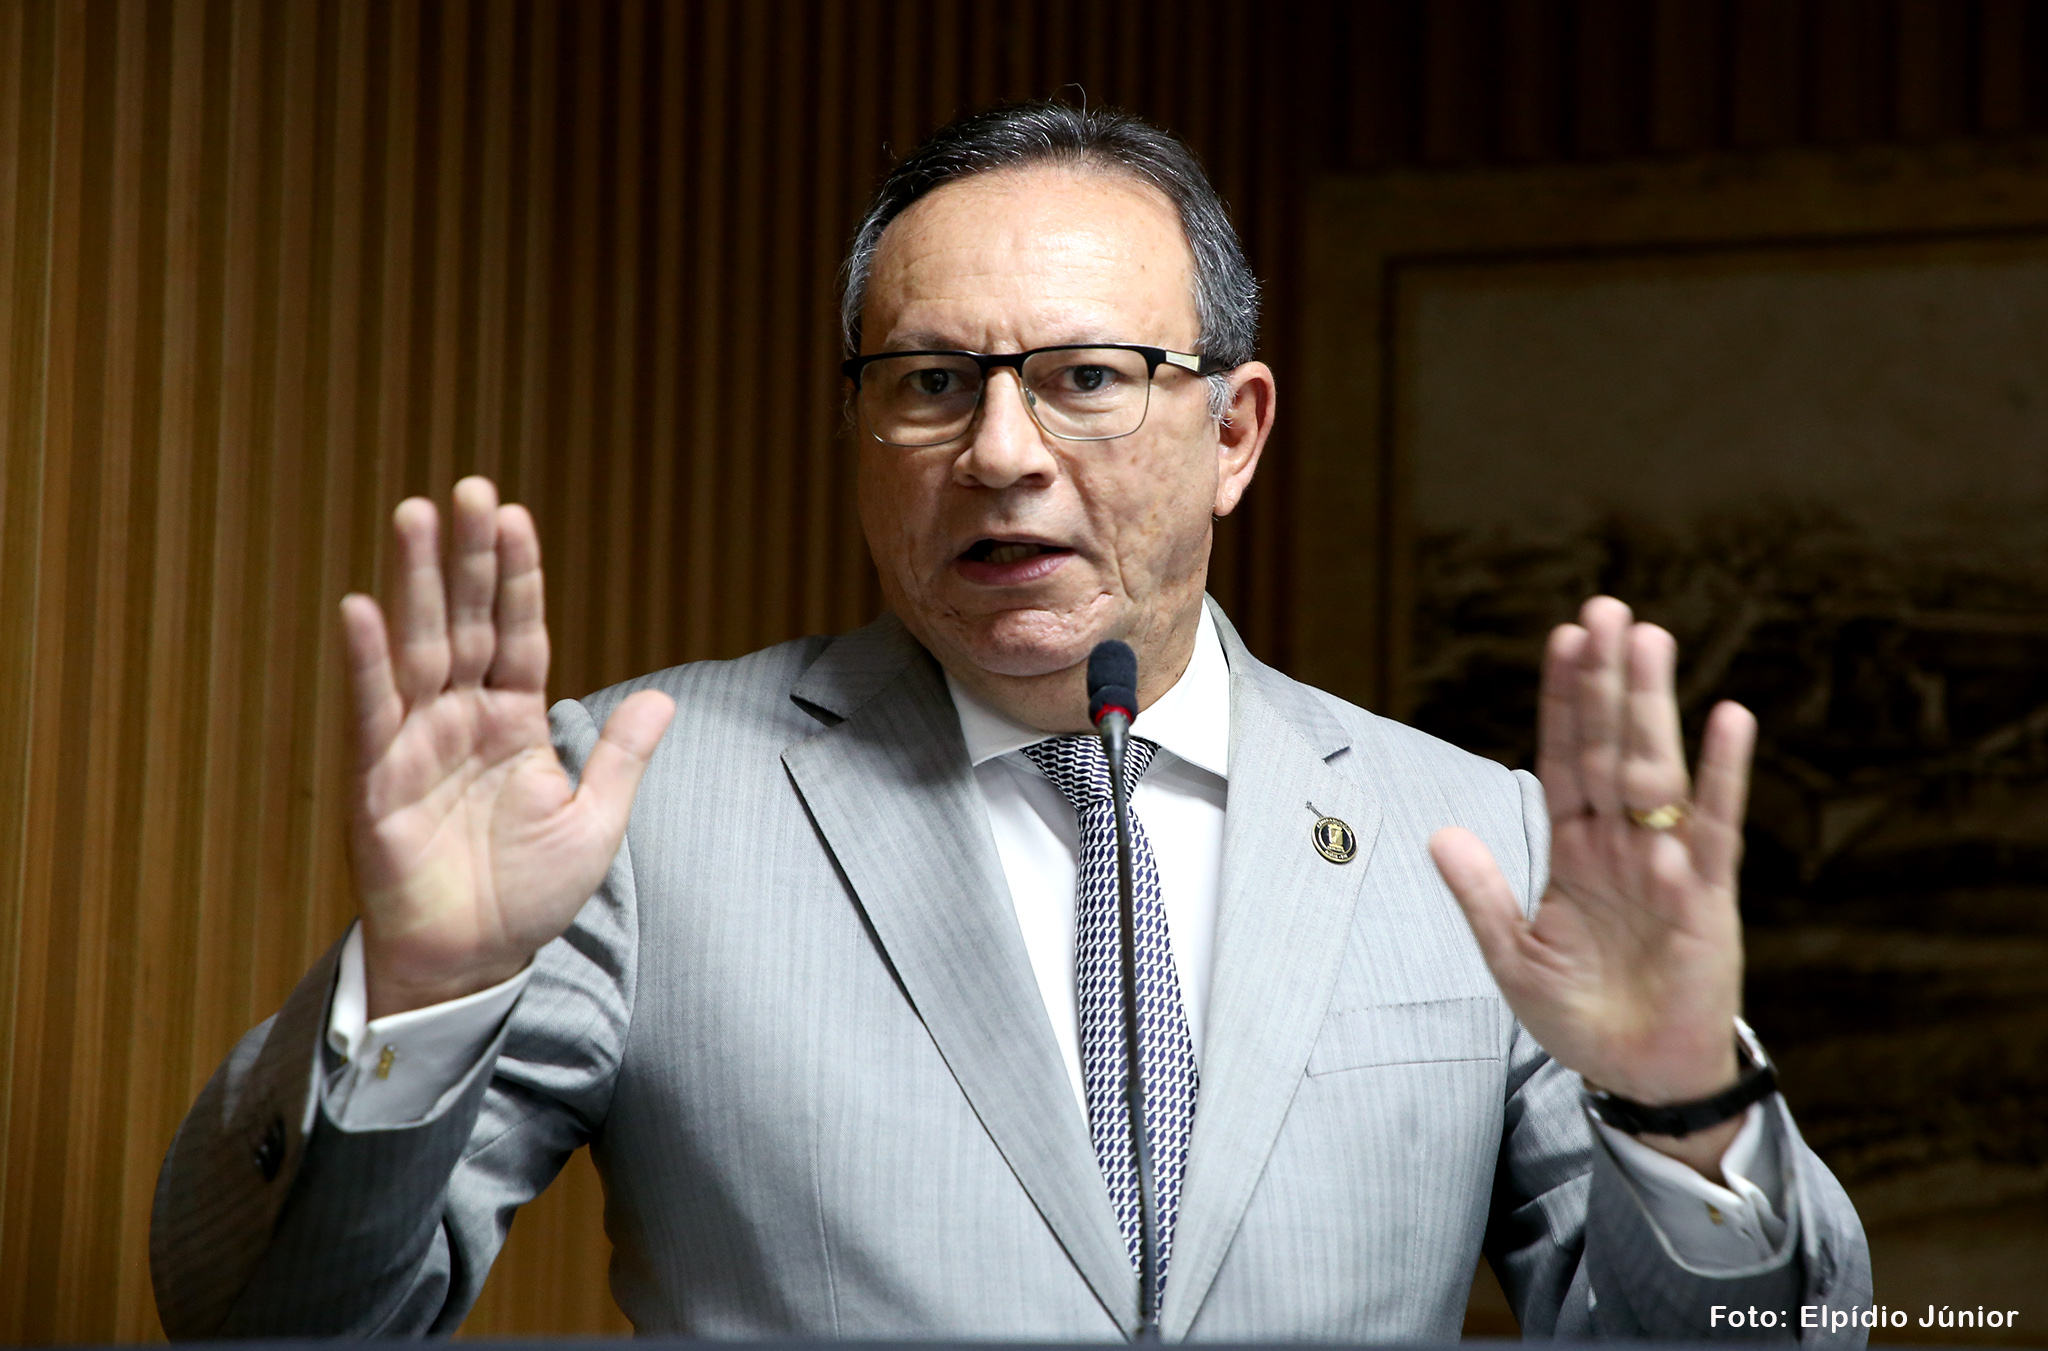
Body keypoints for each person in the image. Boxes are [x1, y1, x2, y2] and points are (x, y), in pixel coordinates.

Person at [151, 101, 1869, 1341]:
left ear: (1235, 433)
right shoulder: (634, 801)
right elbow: (265, 1320)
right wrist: (422, 995)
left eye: (1086, 377)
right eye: (930, 383)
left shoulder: (1476, 836)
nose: (998, 452)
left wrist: (1685, 1116)